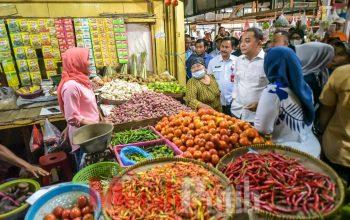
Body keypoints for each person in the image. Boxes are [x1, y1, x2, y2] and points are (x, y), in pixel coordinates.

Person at [255, 47, 321, 158]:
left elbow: (262, 128)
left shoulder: (273, 90)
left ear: (271, 64)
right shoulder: (305, 87)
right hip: (310, 149)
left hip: (285, 155)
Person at [57, 47, 101, 166]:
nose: (90, 62)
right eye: (86, 59)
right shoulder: (71, 86)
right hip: (83, 137)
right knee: (85, 170)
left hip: (91, 132)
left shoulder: (81, 80)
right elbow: (72, 118)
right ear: (77, 62)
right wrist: (100, 126)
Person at [319, 64, 350, 183]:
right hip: (339, 151)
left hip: (339, 150)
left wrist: (321, 133)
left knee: (333, 192)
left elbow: (326, 110)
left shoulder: (342, 73)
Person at [230, 28, 269, 122]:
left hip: (256, 116)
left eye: (247, 41)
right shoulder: (239, 60)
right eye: (241, 41)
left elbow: (273, 88)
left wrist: (261, 103)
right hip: (236, 112)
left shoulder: (268, 61)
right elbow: (236, 81)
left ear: (259, 43)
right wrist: (234, 97)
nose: (242, 45)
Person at [208, 37, 237, 115]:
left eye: (227, 47)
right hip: (217, 102)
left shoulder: (238, 61)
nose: (223, 49)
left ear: (232, 48)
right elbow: (209, 80)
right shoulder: (213, 62)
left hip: (233, 102)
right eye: (222, 46)